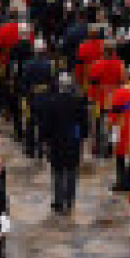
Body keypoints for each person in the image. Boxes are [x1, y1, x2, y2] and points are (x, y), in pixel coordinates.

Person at [39, 72, 89, 214]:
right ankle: (69, 200)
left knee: (58, 172)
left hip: (56, 142)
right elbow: (84, 123)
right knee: (72, 171)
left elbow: (45, 124)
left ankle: (59, 201)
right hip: (73, 141)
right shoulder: (78, 102)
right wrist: (82, 137)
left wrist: (44, 140)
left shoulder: (51, 102)